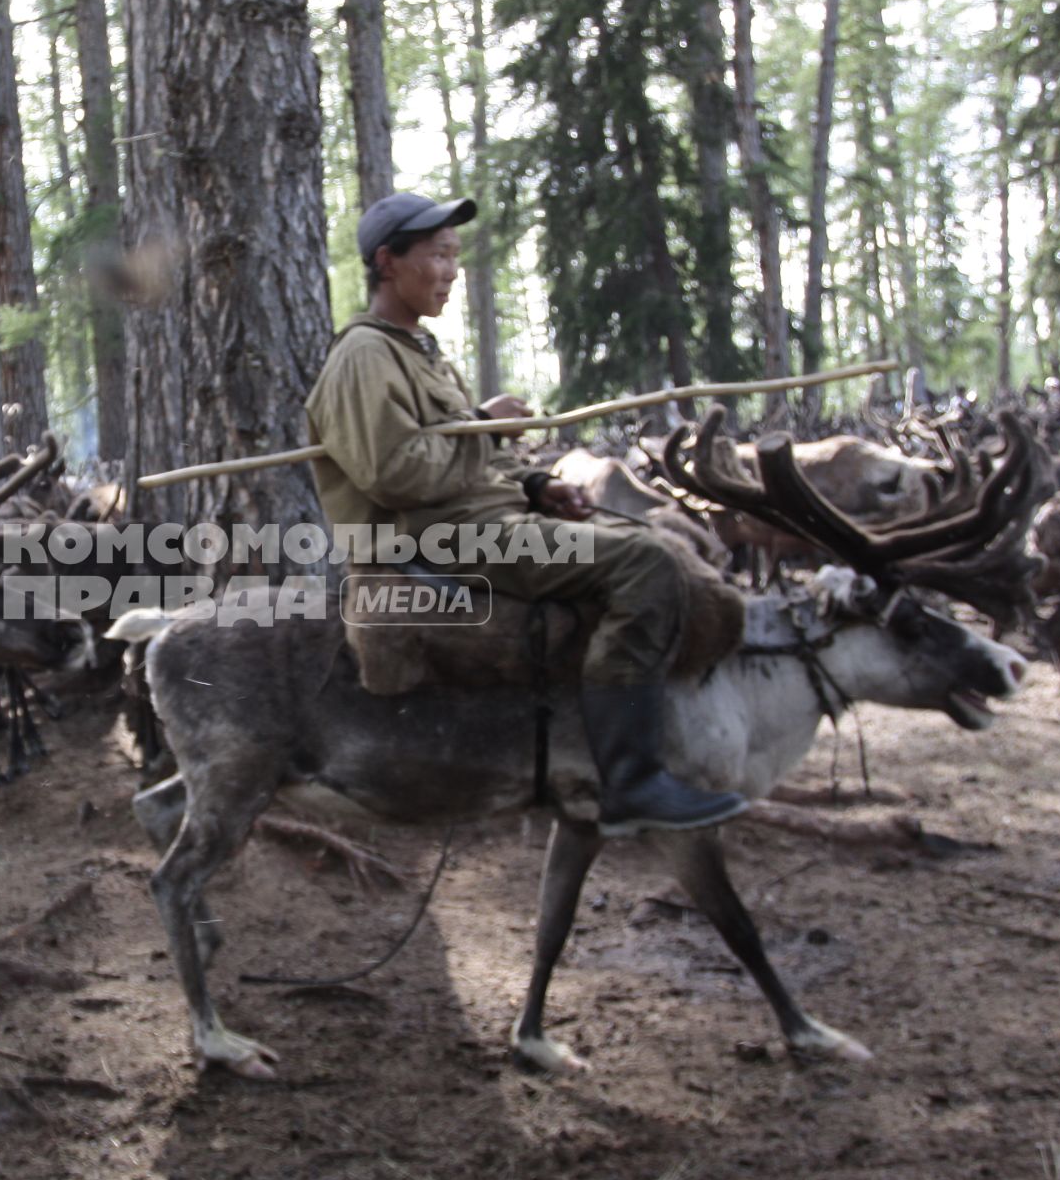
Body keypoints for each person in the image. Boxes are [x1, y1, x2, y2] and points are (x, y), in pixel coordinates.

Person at [304, 193, 747, 835]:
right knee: (645, 564)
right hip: (441, 541)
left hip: (486, 526)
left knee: (644, 534)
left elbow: (470, 464)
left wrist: (538, 486)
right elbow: (394, 473)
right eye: (438, 254)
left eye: (455, 255)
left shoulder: (420, 351)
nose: (452, 270)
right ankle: (630, 778)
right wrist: (484, 425)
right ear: (387, 262)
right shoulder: (363, 357)